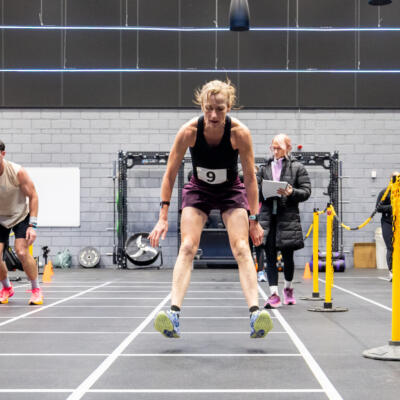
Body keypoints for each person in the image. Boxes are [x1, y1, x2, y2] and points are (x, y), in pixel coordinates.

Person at [149, 79, 273, 339]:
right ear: (202, 106)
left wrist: (254, 219)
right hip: (199, 189)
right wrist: (162, 217)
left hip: (231, 189)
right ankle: (173, 314)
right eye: (208, 109)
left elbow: (250, 178)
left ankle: (255, 315)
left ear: (229, 107)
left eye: (220, 109)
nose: (214, 115)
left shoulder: (240, 133)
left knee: (241, 247)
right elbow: (170, 175)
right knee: (187, 247)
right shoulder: (189, 132)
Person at [256, 134, 311, 308]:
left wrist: (291, 192)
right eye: (273, 147)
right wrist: (263, 191)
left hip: (287, 218)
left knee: (288, 257)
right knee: (269, 257)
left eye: (279, 147)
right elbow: (254, 190)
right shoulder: (263, 167)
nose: (275, 151)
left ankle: (288, 288)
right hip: (268, 218)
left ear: (288, 148)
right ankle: (273, 294)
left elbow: (306, 191)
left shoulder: (298, 168)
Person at [0, 140, 43, 305]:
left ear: (3, 154)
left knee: (22, 252)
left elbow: (33, 196)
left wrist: (32, 225)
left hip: (19, 215)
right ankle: (6, 288)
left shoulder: (17, 172)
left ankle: (36, 289)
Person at [376, 171, 400, 282]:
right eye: (395, 178)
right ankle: (392, 271)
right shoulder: (384, 192)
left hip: (398, 222)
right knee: (391, 246)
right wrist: (391, 207)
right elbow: (378, 208)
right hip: (387, 222)